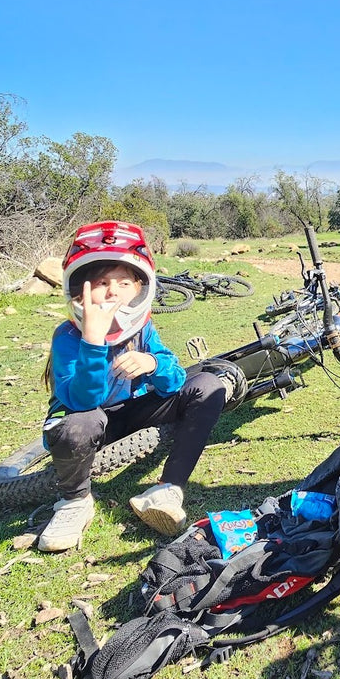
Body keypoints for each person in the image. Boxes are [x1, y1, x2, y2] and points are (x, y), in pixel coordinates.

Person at [37, 221, 227, 552]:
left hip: (136, 409)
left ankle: (168, 489)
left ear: (140, 288)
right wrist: (94, 343)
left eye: (125, 282)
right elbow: (83, 401)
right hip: (91, 419)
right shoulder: (68, 337)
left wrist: (153, 364)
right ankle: (74, 502)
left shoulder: (143, 329)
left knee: (209, 385)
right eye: (101, 282)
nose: (113, 291)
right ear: (79, 288)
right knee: (76, 425)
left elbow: (175, 381)